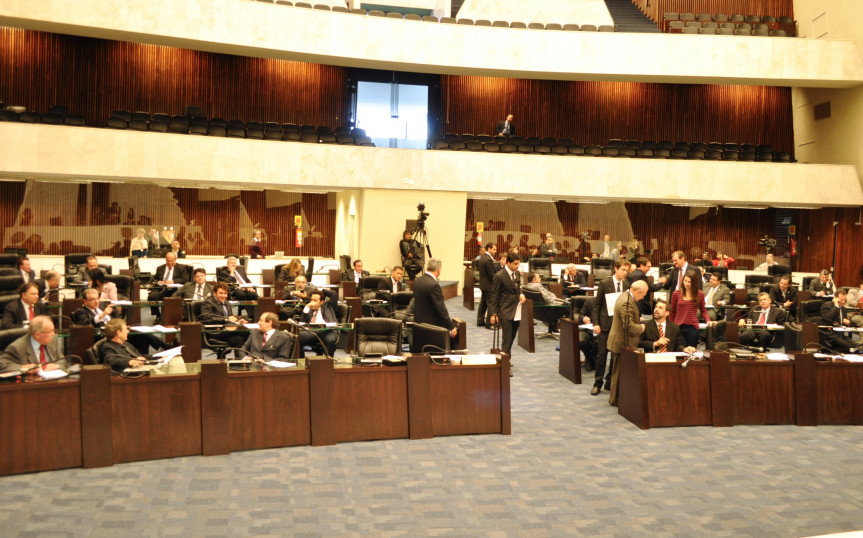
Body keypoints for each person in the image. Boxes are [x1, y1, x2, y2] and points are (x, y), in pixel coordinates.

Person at [590, 259, 630, 395]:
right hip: (605, 325)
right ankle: (597, 383)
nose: (625, 273)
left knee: (615, 356)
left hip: (619, 327)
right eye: (623, 270)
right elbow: (596, 306)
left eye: (627, 270)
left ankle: (609, 381)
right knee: (602, 355)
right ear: (616, 269)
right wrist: (595, 323)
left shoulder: (626, 285)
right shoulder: (604, 283)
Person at [607, 280, 648, 406]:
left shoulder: (625, 295)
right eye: (643, 295)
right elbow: (629, 327)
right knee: (618, 373)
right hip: (622, 343)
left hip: (621, 341)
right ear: (638, 291)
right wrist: (641, 327)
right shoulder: (627, 302)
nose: (642, 298)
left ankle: (618, 399)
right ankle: (615, 400)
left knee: (619, 372)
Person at [489, 252, 526, 375]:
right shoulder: (499, 276)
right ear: (508, 263)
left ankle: (506, 358)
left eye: (518, 264)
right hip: (504, 310)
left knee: (511, 338)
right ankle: (505, 365)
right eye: (515, 264)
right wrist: (494, 314)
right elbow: (494, 296)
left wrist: (521, 294)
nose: (517, 266)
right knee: (506, 338)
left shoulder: (516, 273)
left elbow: (518, 288)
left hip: (516, 310)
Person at [0, 315, 66, 374]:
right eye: (50, 332)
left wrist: (56, 366)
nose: (54, 334)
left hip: (52, 381)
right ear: (37, 335)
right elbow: (2, 365)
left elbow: (62, 359)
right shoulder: (17, 347)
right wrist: (23, 367)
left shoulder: (53, 340)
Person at [198, 282, 249, 356]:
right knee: (245, 332)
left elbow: (230, 316)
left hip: (227, 331)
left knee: (238, 339)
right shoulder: (208, 303)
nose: (223, 296)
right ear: (214, 293)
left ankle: (240, 363)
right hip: (215, 331)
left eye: (225, 293)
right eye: (221, 293)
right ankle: (251, 356)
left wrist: (238, 320)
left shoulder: (227, 303)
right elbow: (207, 317)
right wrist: (226, 319)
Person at [413, 258, 457, 337]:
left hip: (418, 324)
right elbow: (441, 309)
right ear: (439, 270)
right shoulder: (434, 285)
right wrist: (451, 327)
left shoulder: (417, 281)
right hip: (432, 327)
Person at [669, 269, 713, 348]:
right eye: (685, 281)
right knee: (681, 350)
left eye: (689, 282)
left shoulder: (700, 294)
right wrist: (669, 328)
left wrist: (708, 320)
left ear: (694, 283)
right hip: (678, 327)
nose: (686, 284)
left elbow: (703, 311)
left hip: (693, 328)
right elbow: (672, 313)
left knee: (692, 351)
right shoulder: (676, 294)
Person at [298, 289, 340, 357]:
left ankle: (328, 361)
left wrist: (321, 290)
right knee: (297, 336)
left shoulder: (329, 306)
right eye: (311, 300)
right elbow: (302, 323)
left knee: (330, 340)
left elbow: (333, 294)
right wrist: (306, 308)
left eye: (315, 300)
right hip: (313, 332)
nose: (312, 302)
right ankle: (301, 359)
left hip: (328, 331)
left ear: (322, 302)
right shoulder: (309, 309)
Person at [147, 252, 189, 318]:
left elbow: (185, 279)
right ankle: (158, 315)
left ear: (175, 260)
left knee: (174, 298)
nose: (170, 263)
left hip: (175, 290)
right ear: (165, 260)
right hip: (162, 289)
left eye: (172, 261)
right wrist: (159, 282)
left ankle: (172, 317)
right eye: (168, 261)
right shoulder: (160, 268)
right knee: (151, 297)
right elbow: (155, 279)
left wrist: (172, 281)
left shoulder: (182, 268)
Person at [476, 243, 497, 327]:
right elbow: (491, 274)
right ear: (489, 249)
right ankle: (489, 323)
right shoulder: (488, 259)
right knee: (491, 304)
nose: (495, 251)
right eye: (494, 249)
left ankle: (480, 321)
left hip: (483, 285)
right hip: (489, 285)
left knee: (483, 304)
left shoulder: (482, 257)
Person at [576, 297, 597, 371]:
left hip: (600, 330)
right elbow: (580, 316)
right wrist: (584, 319)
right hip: (586, 329)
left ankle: (592, 360)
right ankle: (588, 358)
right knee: (580, 340)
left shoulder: (608, 303)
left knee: (598, 342)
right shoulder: (589, 302)